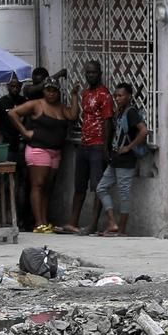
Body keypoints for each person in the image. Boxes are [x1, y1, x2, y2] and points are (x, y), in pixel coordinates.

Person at [8, 78, 79, 234]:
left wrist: (74, 96)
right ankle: (38, 222)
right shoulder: (37, 104)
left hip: (55, 151)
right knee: (38, 184)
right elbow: (13, 113)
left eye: (54, 90)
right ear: (44, 91)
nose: (51, 93)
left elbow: (73, 115)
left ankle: (44, 221)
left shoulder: (61, 108)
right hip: (38, 149)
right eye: (48, 90)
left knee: (48, 187)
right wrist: (25, 132)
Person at [60, 60, 113, 235]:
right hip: (84, 144)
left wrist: (105, 147)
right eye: (88, 73)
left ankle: (93, 224)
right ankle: (73, 222)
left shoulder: (104, 94)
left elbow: (107, 122)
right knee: (79, 185)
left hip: (97, 145)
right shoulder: (85, 93)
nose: (90, 75)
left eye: (93, 73)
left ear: (100, 73)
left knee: (97, 187)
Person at [96, 83, 148, 236]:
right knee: (101, 187)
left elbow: (143, 131)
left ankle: (122, 230)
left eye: (121, 95)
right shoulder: (120, 112)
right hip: (116, 159)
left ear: (129, 96)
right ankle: (112, 223)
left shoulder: (131, 112)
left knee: (124, 193)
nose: (117, 98)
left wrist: (129, 147)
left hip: (126, 160)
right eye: (116, 95)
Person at [0, 77, 31, 230]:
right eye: (12, 86)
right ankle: (5, 219)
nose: (15, 88)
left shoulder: (25, 102)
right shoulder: (0, 103)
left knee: (22, 185)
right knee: (7, 185)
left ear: (21, 86)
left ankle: (20, 220)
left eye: (17, 86)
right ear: (7, 86)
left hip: (22, 148)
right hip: (7, 149)